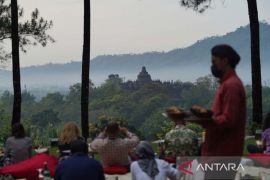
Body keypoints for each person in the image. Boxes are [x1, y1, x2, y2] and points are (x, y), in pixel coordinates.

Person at [192, 44, 246, 179]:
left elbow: (229, 119)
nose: (213, 66)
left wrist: (205, 121)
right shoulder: (225, 84)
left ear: (225, 61)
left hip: (223, 154)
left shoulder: (231, 85)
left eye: (214, 62)